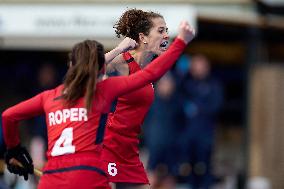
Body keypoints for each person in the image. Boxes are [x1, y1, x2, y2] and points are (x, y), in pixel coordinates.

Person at [1, 20, 195, 189]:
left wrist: (13, 149)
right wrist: (181, 42)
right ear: (101, 67)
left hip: (51, 178)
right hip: (87, 175)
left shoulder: (49, 96)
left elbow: (8, 116)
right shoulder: (103, 90)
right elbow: (149, 74)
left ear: (70, 66)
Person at [101, 8, 195, 189]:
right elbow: (86, 68)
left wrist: (181, 42)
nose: (166, 35)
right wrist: (118, 48)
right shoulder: (124, 61)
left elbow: (166, 62)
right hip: (110, 143)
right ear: (143, 37)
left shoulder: (152, 68)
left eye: (167, 30)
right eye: (160, 31)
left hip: (130, 147)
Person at [178, 54, 223, 189]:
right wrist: (181, 73)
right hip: (188, 135)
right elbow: (176, 96)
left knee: (204, 167)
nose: (199, 69)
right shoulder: (186, 84)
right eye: (196, 66)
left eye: (202, 65)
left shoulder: (214, 85)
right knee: (188, 167)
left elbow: (216, 106)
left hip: (205, 135)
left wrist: (198, 107)